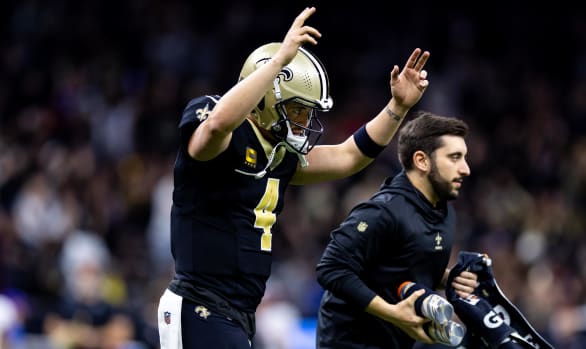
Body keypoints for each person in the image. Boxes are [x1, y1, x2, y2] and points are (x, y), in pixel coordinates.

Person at [157, 6, 431, 349]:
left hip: (237, 312)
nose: (303, 121)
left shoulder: (279, 154)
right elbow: (215, 125)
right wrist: (278, 63)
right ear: (269, 98)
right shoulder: (217, 126)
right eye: (297, 109)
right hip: (199, 305)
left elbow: (350, 155)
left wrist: (397, 107)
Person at [315, 111, 479, 348]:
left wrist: (449, 279)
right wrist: (393, 313)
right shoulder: (383, 211)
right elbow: (331, 268)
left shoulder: (444, 212)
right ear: (422, 161)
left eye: (464, 157)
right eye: (454, 157)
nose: (466, 169)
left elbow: (400, 268)